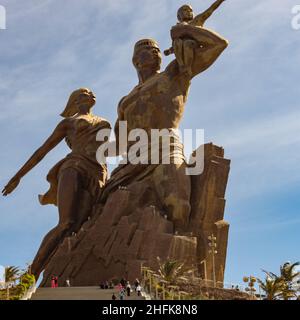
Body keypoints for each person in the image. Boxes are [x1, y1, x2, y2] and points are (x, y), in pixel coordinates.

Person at [100, 24, 228, 233]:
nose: (155, 52)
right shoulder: (125, 101)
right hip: (132, 161)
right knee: (104, 208)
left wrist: (186, 30)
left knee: (179, 206)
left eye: (158, 49)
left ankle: (178, 261)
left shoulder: (174, 73)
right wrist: (92, 153)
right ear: (136, 60)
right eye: (148, 49)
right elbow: (121, 142)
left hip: (165, 147)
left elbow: (218, 44)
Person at [2, 88, 111, 280]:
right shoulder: (68, 123)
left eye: (91, 92)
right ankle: (30, 277)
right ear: (75, 102)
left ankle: (71, 273)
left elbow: (111, 149)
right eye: (85, 93)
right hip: (74, 166)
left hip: (99, 172)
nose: (91, 94)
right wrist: (18, 176)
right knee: (66, 223)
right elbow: (43, 150)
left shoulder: (104, 121)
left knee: (83, 225)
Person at [164, 0, 226, 76]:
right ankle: (181, 65)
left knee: (188, 43)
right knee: (177, 41)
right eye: (185, 10)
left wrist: (220, 1)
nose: (189, 12)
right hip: (181, 51)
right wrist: (170, 51)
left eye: (190, 10)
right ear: (179, 16)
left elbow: (210, 10)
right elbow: (175, 46)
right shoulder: (177, 28)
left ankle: (187, 67)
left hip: (193, 46)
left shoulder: (196, 21)